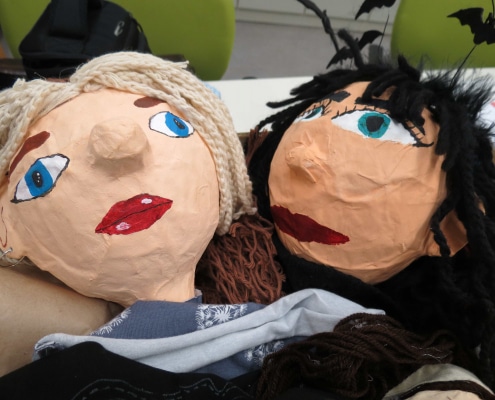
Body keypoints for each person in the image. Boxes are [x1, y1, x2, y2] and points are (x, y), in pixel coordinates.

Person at [246, 40, 495, 395]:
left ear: (450, 229)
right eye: (314, 113)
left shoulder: (420, 349)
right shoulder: (244, 257)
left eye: (375, 124)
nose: (300, 160)